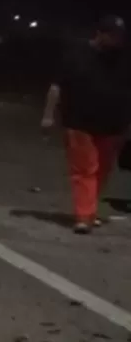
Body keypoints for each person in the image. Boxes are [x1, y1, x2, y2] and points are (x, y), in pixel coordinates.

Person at [41, 15, 130, 234]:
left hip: (112, 124)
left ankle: (89, 211)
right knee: (84, 169)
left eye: (119, 36)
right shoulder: (76, 54)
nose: (116, 41)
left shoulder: (122, 59)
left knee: (102, 170)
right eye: (112, 36)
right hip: (79, 121)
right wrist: (48, 115)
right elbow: (56, 87)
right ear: (99, 34)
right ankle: (83, 216)